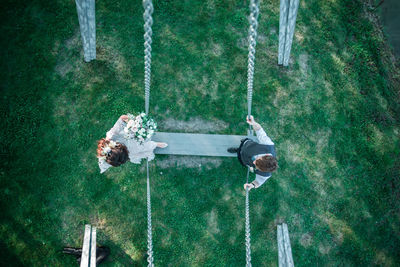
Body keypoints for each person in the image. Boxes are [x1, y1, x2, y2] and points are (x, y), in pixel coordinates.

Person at [97, 115, 167, 173]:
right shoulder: (109, 158)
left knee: (142, 145)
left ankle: (155, 144)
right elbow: (103, 164)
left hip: (130, 137)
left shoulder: (112, 135)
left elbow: (122, 118)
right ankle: (155, 144)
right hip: (133, 146)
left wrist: (134, 122)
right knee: (140, 148)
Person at [227, 116, 278, 190]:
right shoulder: (268, 145)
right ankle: (238, 149)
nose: (253, 162)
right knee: (242, 146)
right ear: (266, 155)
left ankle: (238, 152)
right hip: (247, 145)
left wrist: (252, 185)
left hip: (245, 160)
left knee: (240, 156)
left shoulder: (266, 174)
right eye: (257, 160)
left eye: (256, 166)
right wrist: (253, 123)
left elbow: (258, 182)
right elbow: (259, 130)